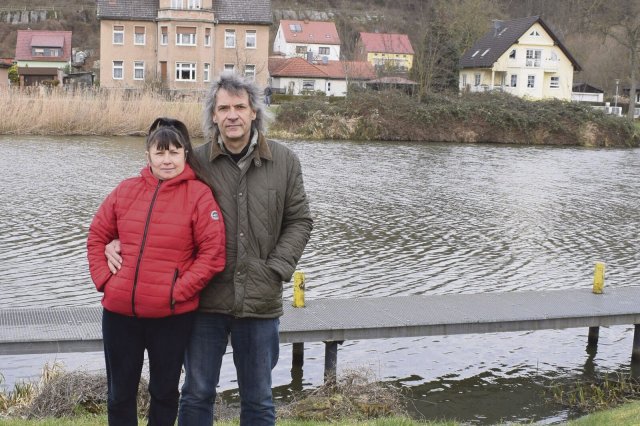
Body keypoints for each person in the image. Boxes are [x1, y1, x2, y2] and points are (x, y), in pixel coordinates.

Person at [106, 72, 313, 425]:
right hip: (205, 301)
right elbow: (150, 198)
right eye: (223, 108)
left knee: (259, 399)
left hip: (260, 301)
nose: (232, 115)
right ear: (213, 116)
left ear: (253, 112)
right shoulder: (195, 162)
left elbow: (300, 221)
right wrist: (116, 238)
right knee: (197, 392)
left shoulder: (285, 161)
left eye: (239, 107)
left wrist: (277, 267)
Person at [88, 118, 226, 426]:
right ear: (148, 155)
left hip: (171, 317)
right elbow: (97, 236)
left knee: (164, 393)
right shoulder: (125, 191)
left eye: (175, 152)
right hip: (120, 314)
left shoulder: (199, 196)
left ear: (185, 155)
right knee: (119, 394)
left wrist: (175, 292)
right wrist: (106, 281)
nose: (167, 160)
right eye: (160, 152)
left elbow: (213, 255)